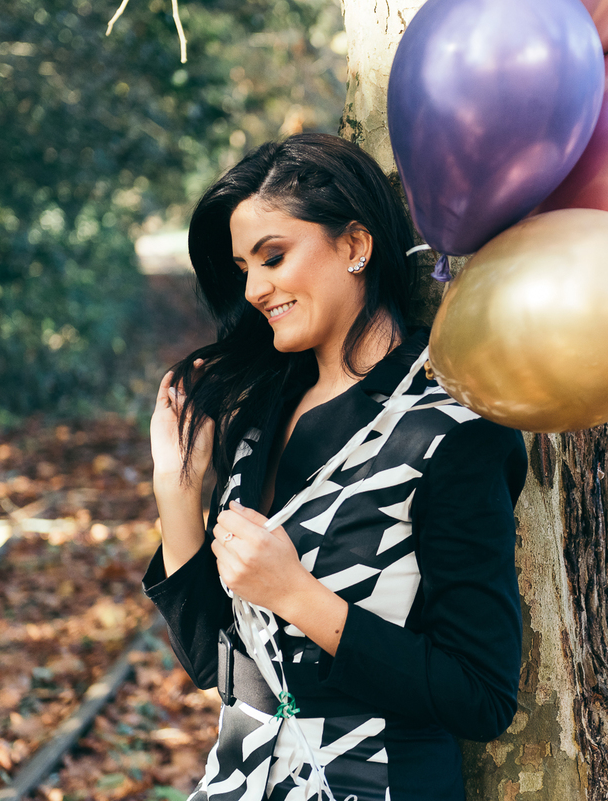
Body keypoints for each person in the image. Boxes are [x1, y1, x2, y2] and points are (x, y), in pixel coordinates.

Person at [143, 134, 527, 801]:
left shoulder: (448, 431)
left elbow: (481, 696)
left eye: (274, 256)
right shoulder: (259, 415)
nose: (256, 288)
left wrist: (298, 596)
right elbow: (212, 660)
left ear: (354, 245)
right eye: (243, 269)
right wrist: (176, 490)